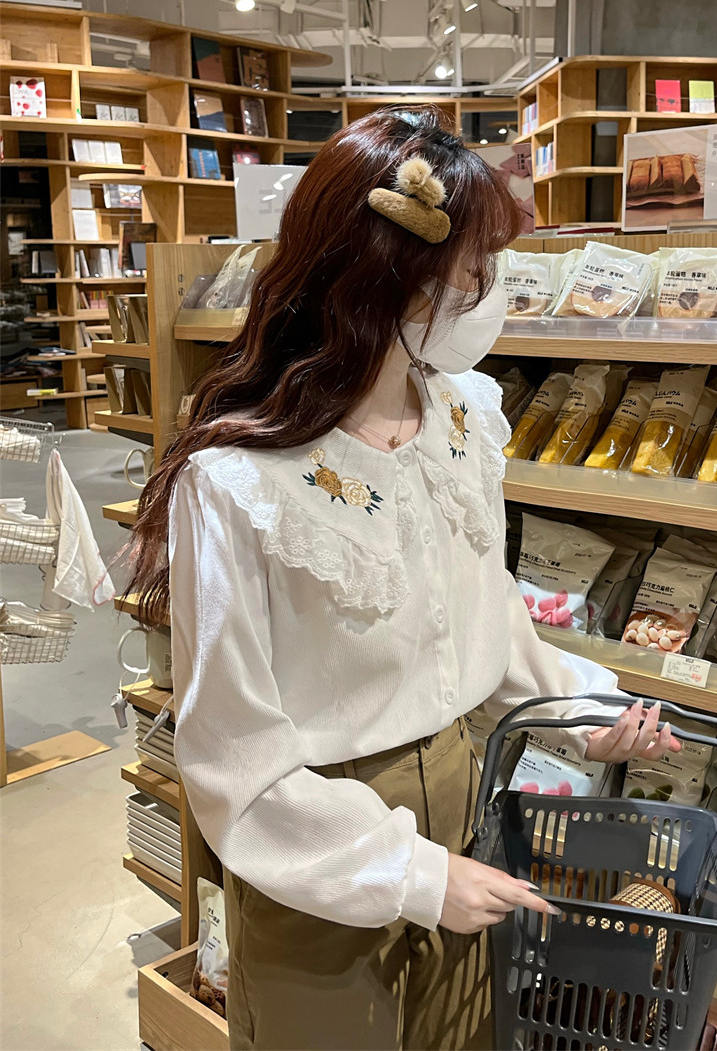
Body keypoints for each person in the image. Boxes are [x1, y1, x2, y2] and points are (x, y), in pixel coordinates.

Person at [127, 107, 677, 1051]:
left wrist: (584, 714)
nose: (488, 289)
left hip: (467, 803)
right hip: (318, 852)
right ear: (390, 269)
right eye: (475, 265)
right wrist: (414, 875)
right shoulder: (237, 482)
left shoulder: (462, 420)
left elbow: (485, 620)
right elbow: (231, 753)